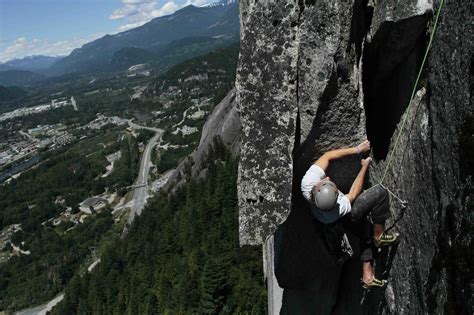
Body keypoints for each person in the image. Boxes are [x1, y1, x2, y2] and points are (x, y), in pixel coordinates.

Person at [301, 140, 398, 289]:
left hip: (330, 223)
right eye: (328, 182)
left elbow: (327, 156)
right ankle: (379, 236)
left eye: (327, 181)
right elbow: (353, 193)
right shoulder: (339, 208)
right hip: (344, 217)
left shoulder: (308, 184)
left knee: (365, 230)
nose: (327, 178)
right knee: (380, 193)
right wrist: (364, 167)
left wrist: (357, 149)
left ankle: (367, 277)